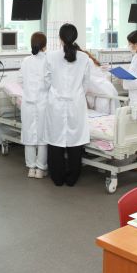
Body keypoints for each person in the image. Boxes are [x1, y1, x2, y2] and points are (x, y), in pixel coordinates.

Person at [44, 24, 91, 187]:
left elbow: (46, 81)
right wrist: (76, 94)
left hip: (56, 103)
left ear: (60, 38)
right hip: (76, 103)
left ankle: (57, 178)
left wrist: (56, 91)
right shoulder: (84, 58)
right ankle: (72, 178)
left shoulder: (50, 56)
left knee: (55, 140)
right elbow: (86, 83)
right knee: (75, 141)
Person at [20, 32, 48, 179]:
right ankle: (40, 169)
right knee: (43, 136)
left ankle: (31, 168)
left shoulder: (26, 61)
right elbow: (50, 82)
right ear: (45, 45)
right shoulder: (48, 60)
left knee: (29, 135)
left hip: (28, 103)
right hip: (43, 103)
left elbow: (20, 80)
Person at [83, 50, 120, 115]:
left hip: (103, 92)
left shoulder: (87, 63)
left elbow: (87, 84)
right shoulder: (92, 63)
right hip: (105, 89)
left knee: (103, 115)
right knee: (109, 114)